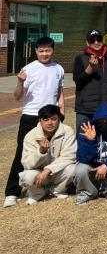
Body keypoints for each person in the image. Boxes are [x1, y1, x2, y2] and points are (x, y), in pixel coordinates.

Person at [4, 36, 64, 208]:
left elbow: (59, 92)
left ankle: (48, 187)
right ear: (36, 51)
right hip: (31, 116)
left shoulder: (58, 68)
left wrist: (61, 111)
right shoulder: (28, 69)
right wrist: (19, 82)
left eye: (48, 50)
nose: (45, 54)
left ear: (53, 51)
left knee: (52, 152)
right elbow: (17, 97)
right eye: (41, 51)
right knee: (22, 153)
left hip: (51, 116)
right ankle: (12, 193)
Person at [19, 104, 77, 205]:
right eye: (46, 120)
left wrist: (48, 170)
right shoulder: (30, 136)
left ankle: (57, 190)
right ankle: (38, 193)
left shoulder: (67, 131)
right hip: (39, 172)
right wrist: (41, 152)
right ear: (40, 121)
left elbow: (70, 156)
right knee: (26, 175)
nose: (50, 123)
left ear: (58, 119)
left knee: (73, 169)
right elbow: (26, 163)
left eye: (54, 119)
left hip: (57, 171)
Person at [73, 103, 107, 205]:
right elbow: (82, 158)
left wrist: (106, 165)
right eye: (101, 121)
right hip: (91, 168)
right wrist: (90, 141)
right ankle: (87, 192)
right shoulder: (87, 130)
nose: (104, 123)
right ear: (95, 121)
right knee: (80, 168)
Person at [72, 29, 107, 135]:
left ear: (103, 40)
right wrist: (90, 67)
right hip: (85, 110)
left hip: (106, 109)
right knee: (84, 141)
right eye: (92, 40)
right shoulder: (80, 59)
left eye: (98, 39)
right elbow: (78, 81)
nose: (96, 42)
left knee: (106, 141)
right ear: (87, 43)